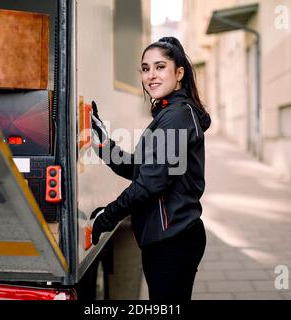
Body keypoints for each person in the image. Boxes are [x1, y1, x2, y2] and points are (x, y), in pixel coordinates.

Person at [90, 37, 211, 301]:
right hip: (166, 237)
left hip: (174, 240)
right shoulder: (170, 113)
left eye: (160, 67)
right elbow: (144, 170)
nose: (151, 76)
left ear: (179, 73)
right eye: (145, 69)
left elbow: (151, 183)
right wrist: (103, 145)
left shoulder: (177, 116)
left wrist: (108, 215)